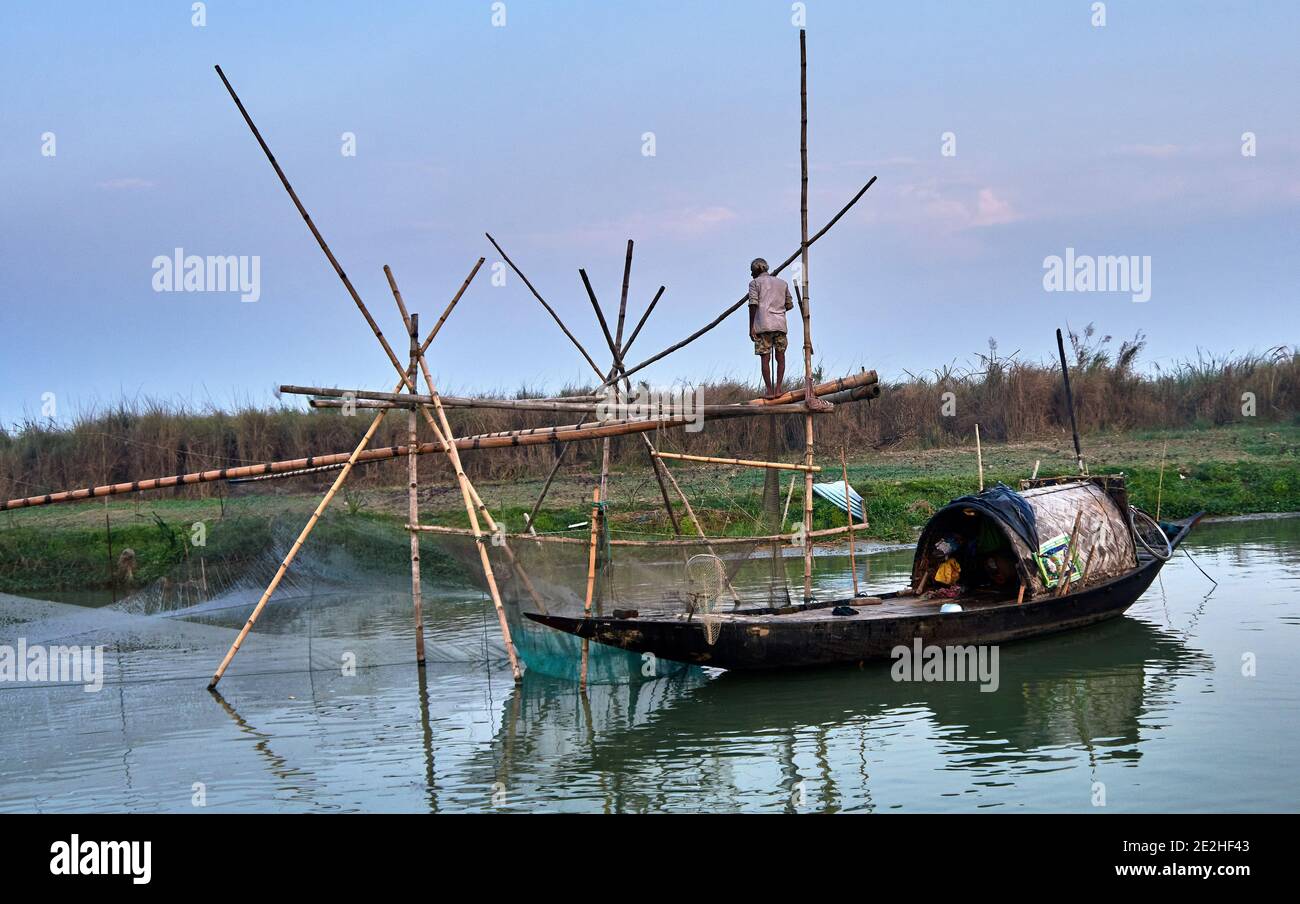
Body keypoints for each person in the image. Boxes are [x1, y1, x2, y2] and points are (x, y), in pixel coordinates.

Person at [747, 258, 793, 399]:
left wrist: (751, 326)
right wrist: (776, 306)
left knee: (765, 359)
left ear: (756, 270)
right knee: (781, 357)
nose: (751, 274)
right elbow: (789, 305)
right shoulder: (782, 283)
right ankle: (778, 389)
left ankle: (769, 391)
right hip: (779, 325)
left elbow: (753, 304)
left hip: (763, 325)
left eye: (751, 271)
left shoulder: (754, 283)